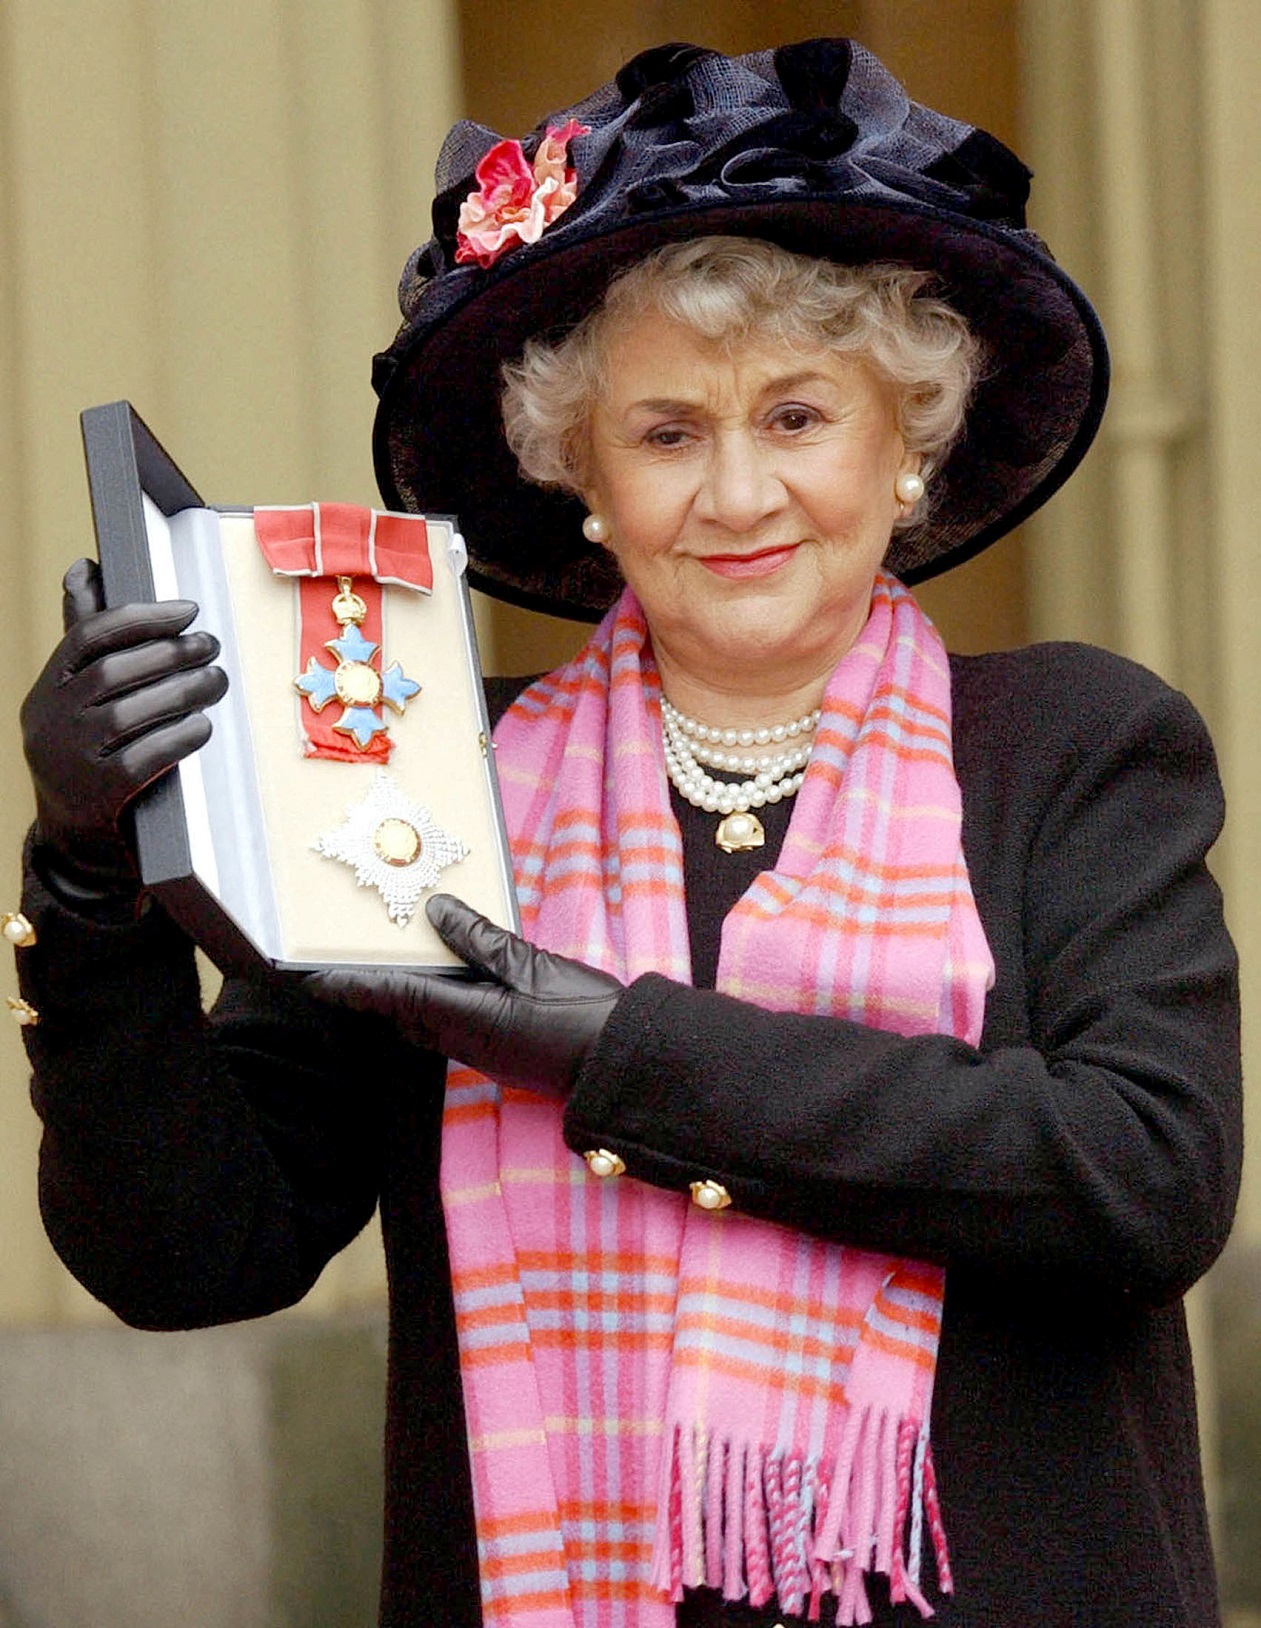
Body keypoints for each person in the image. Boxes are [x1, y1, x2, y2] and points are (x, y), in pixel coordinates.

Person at [13, 39, 1241, 1628]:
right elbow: (191, 1259)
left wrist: (612, 1048)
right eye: (665, 434)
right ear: (578, 472)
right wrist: (93, 874)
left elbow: (1139, 1180)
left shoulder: (1071, 742)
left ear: (905, 446)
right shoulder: (427, 783)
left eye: (798, 416)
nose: (738, 493)